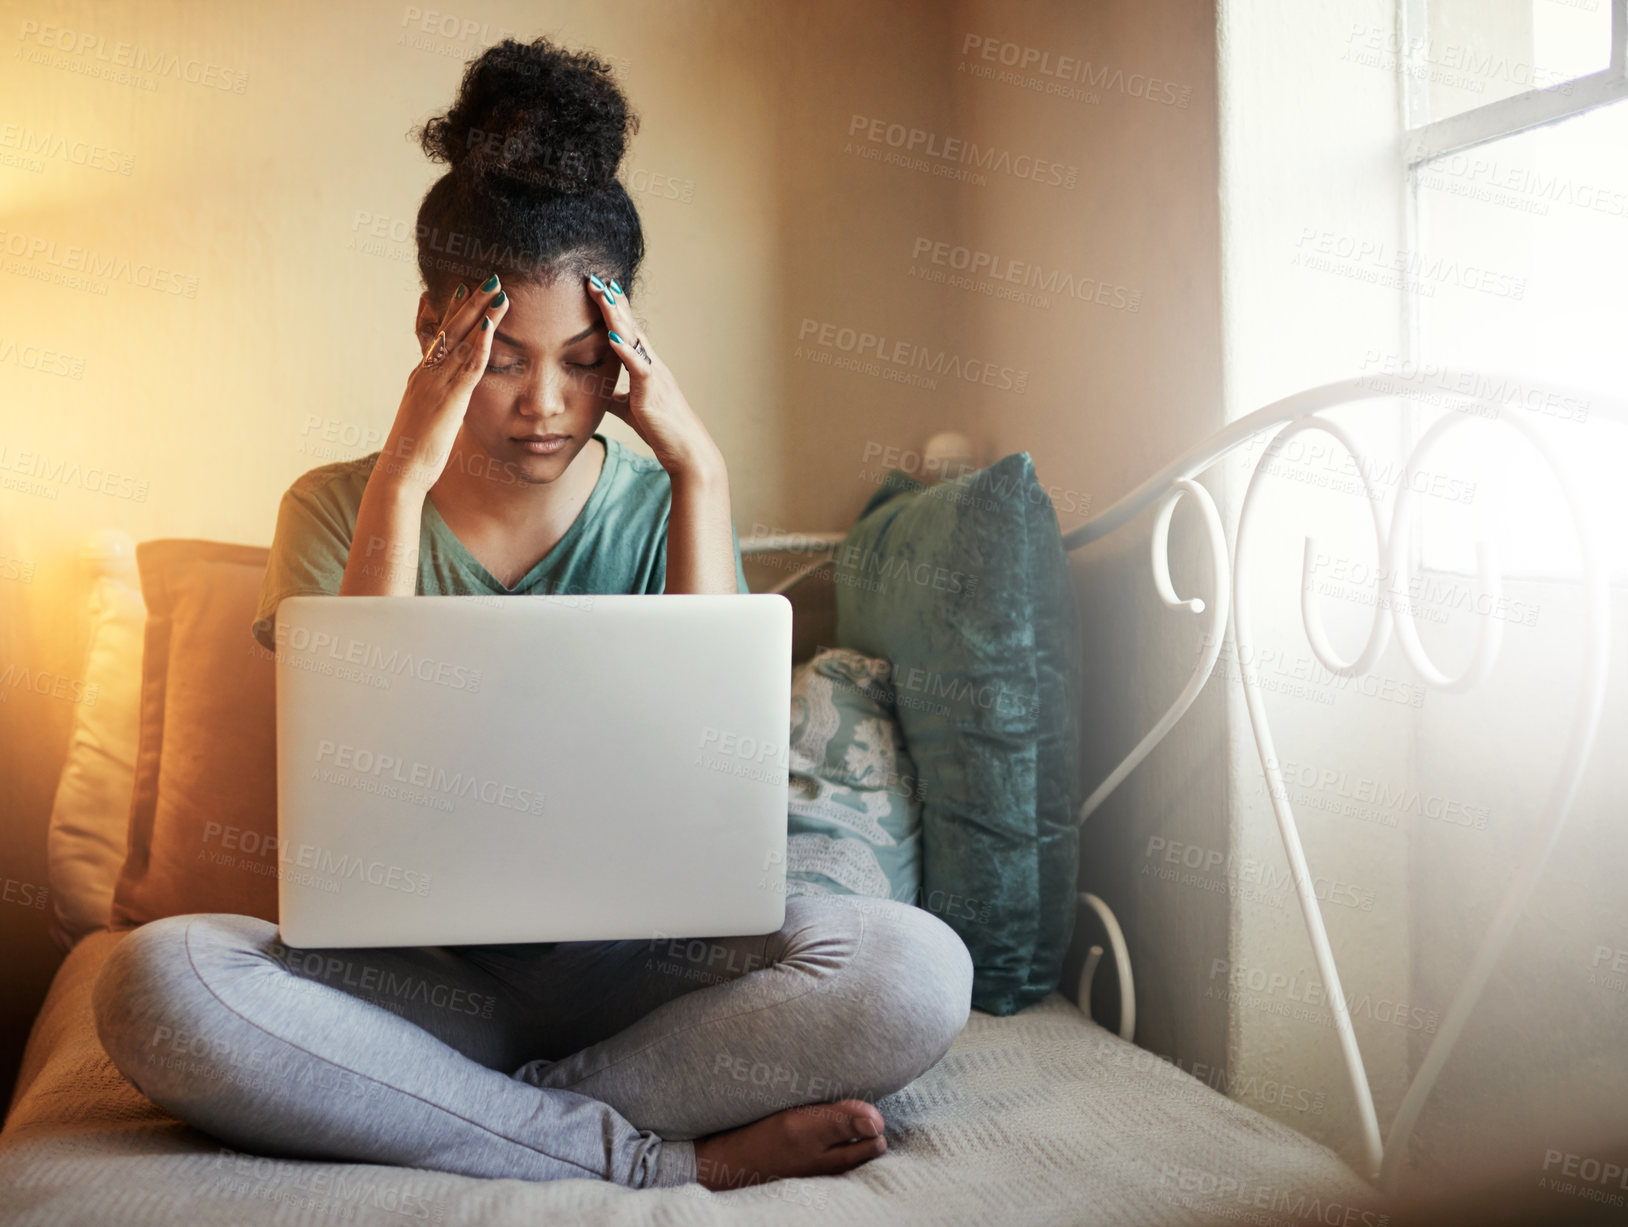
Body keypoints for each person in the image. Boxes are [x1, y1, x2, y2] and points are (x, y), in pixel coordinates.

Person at [90, 35, 973, 1194]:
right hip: (415, 984)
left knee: (912, 969)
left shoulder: (664, 504)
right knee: (155, 984)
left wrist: (699, 467)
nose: (546, 406)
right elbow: (360, 765)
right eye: (501, 359)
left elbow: (720, 778)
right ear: (432, 331)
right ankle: (646, 1154)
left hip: (645, 975)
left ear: (625, 356)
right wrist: (406, 467)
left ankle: (440, 1114)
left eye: (581, 362)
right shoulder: (333, 508)